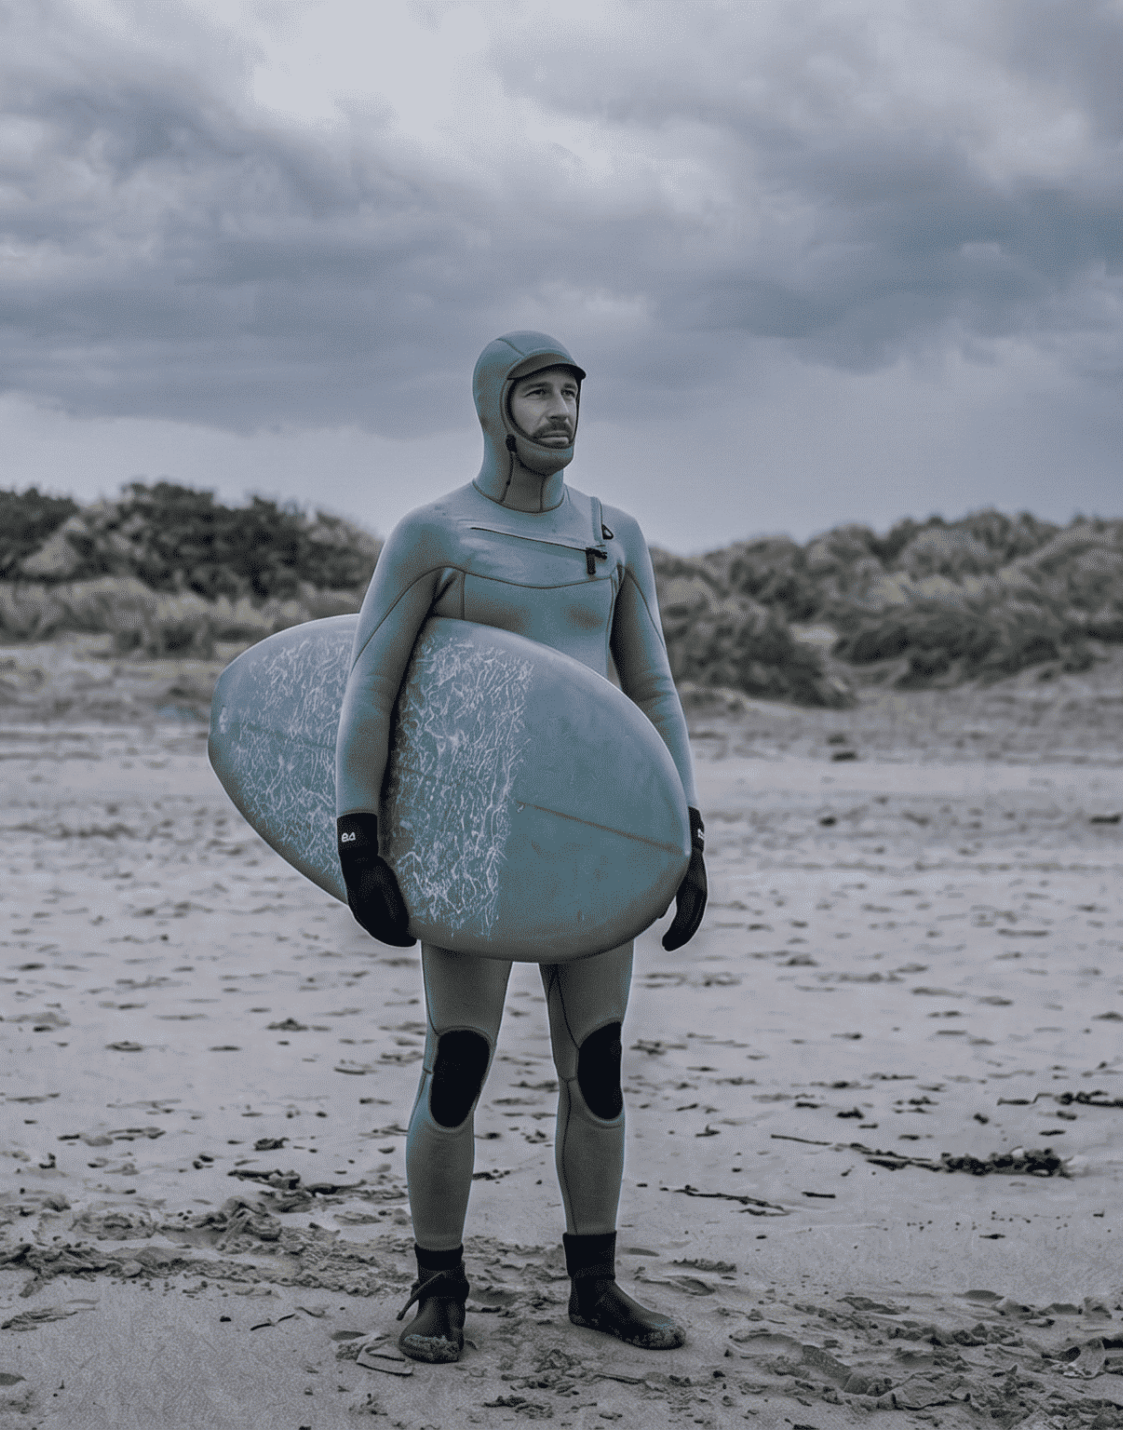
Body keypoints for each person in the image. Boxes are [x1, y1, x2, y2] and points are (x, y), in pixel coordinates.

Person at [331, 330, 708, 1364]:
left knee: (598, 1064)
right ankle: (437, 1285)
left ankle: (594, 1281)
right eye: (538, 393)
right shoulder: (434, 534)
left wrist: (685, 828)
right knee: (458, 1060)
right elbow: (371, 685)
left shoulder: (614, 536)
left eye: (572, 394)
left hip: (593, 842)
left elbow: (654, 690)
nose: (560, 412)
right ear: (494, 405)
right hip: (472, 840)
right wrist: (358, 835)